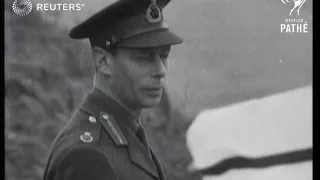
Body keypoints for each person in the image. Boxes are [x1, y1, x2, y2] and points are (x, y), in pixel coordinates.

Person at [43, 0, 183, 179]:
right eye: (144, 59)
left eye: (163, 56)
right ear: (103, 62)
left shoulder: (124, 132)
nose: (160, 71)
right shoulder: (87, 157)